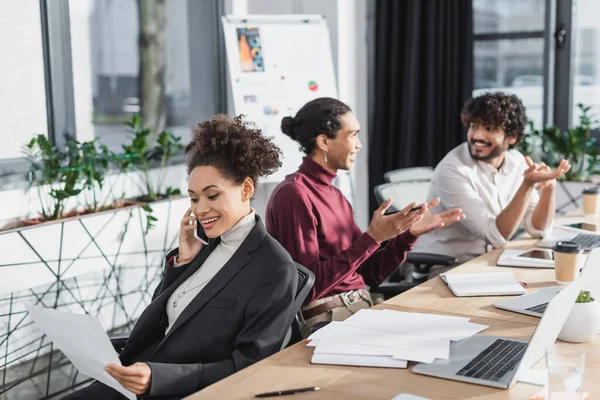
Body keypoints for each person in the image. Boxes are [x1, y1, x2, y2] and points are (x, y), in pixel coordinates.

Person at [64, 115, 298, 399]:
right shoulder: (204, 247)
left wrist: (157, 378)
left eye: (212, 196)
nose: (200, 210)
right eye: (194, 198)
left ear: (246, 189)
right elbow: (166, 323)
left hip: (181, 389)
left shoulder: (274, 268)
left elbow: (250, 366)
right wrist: (182, 264)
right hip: (137, 377)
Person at [265, 97, 464, 337]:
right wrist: (371, 239)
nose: (359, 145)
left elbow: (371, 273)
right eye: (352, 135)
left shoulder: (335, 195)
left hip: (361, 305)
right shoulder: (294, 195)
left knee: (450, 330)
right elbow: (306, 289)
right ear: (324, 142)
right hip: (328, 318)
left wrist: (407, 236)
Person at [413, 92, 571, 269]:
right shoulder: (452, 170)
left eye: (489, 129)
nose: (477, 136)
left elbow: (537, 230)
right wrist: (527, 185)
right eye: (474, 126)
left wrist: (549, 188)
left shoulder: (517, 162)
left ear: (512, 137)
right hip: (447, 266)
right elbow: (496, 236)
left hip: (491, 261)